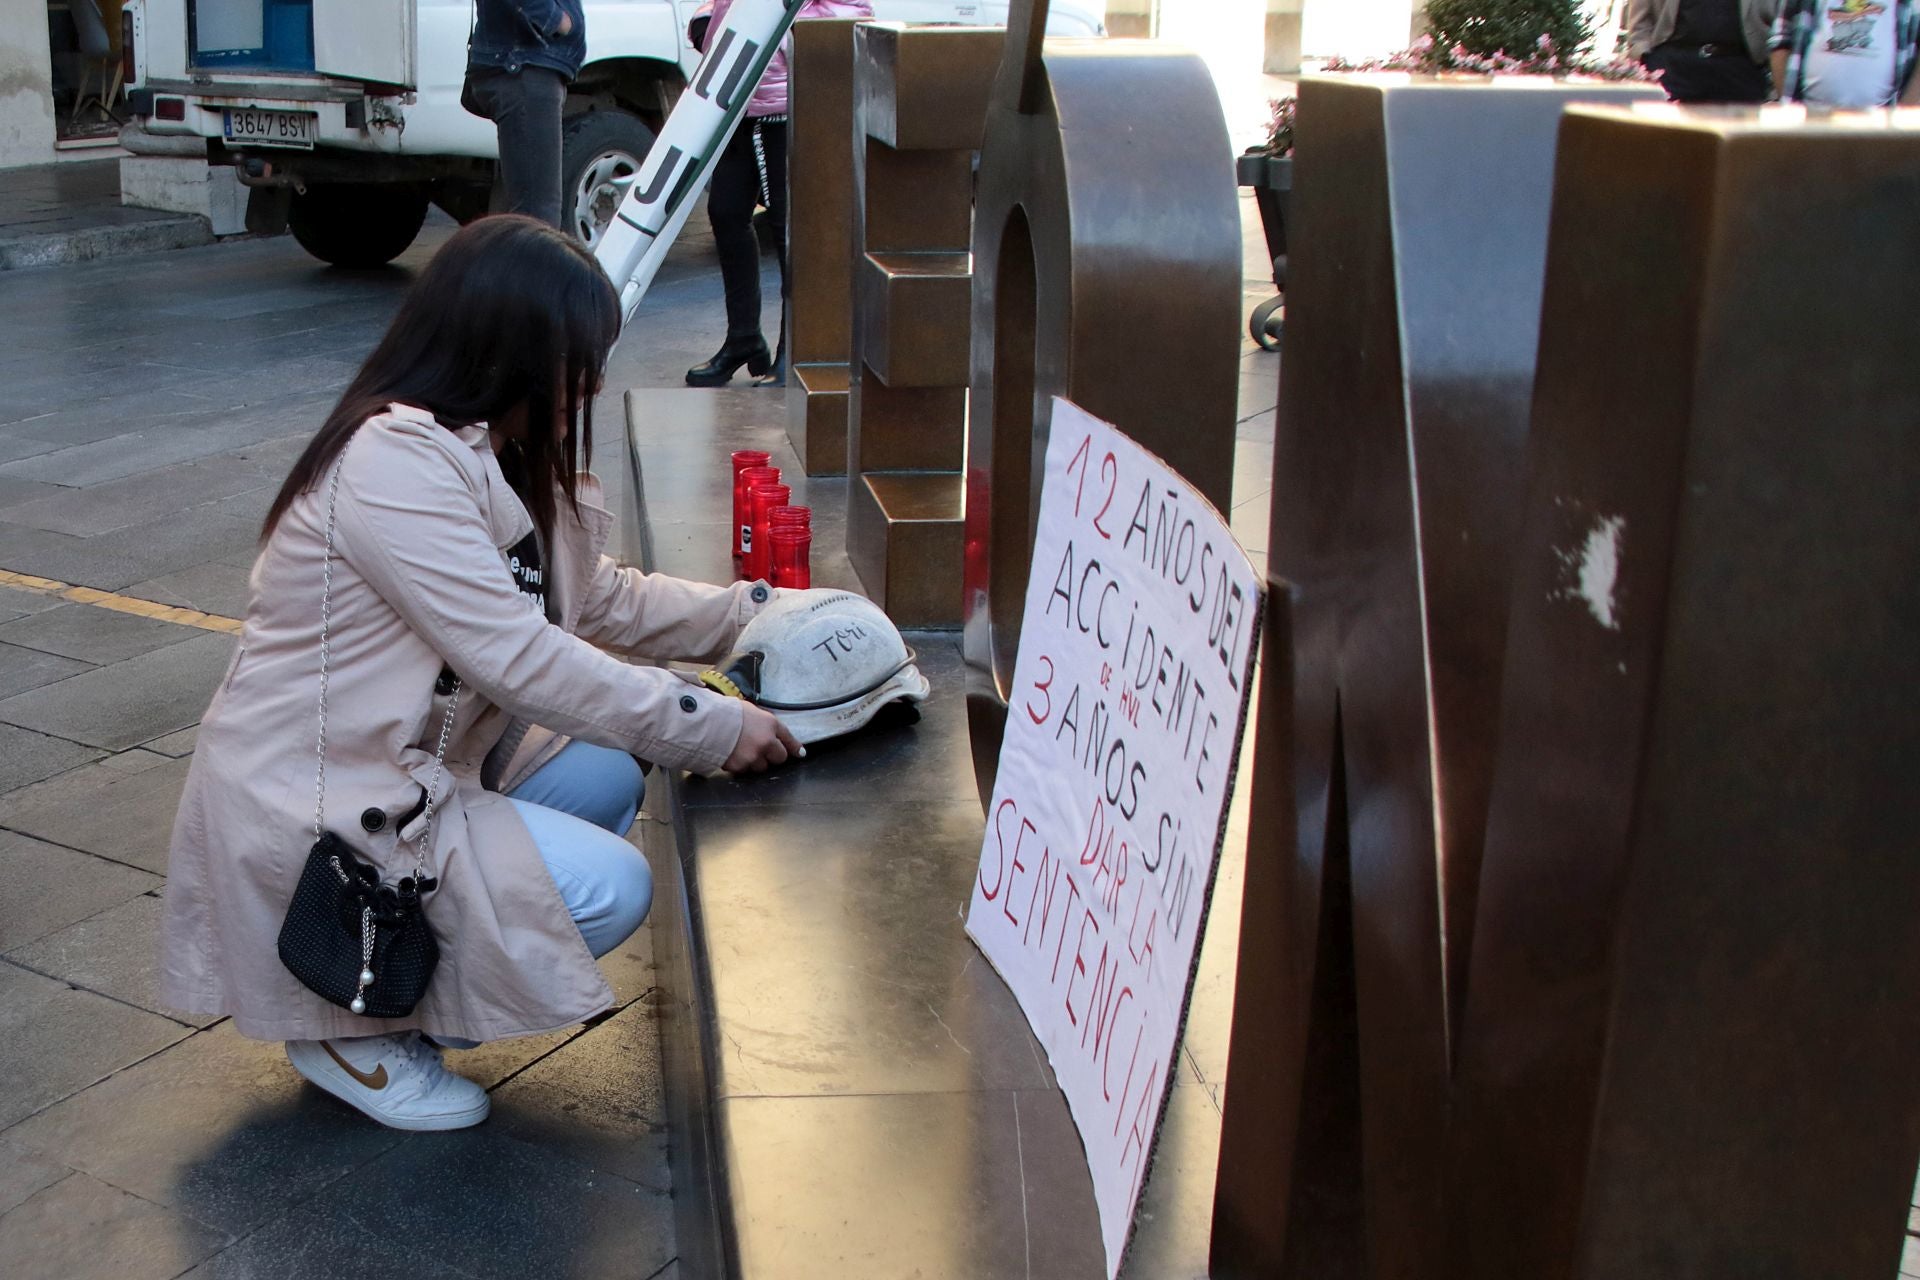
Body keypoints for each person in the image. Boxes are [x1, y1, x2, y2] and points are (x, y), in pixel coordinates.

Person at [159, 216, 800, 1132]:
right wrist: (712, 726)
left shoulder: (495, 451)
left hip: (414, 773)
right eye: (578, 360)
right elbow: (519, 657)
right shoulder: (392, 460)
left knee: (606, 771)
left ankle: (407, 974)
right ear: (506, 349)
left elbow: (602, 598)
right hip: (326, 802)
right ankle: (355, 1024)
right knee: (612, 888)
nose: (593, 382)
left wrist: (758, 612)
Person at [685, 0, 874, 388]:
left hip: (790, 104)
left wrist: (780, 39)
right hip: (738, 98)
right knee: (725, 213)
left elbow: (854, 11)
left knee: (788, 228)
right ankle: (743, 339)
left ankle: (797, 348)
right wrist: (706, 25)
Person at [465, 0, 586, 226]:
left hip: (524, 65)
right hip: (524, 67)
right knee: (538, 218)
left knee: (528, 215)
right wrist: (556, 20)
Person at [1770, 0, 1920, 106]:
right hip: (1809, 119)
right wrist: (1791, 106)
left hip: (1883, 124)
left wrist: (1901, 115)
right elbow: (1781, 41)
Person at [1628, 0, 1784, 101]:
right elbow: (1640, 23)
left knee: (1738, 141)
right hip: (1673, 66)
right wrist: (1644, 56)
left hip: (1740, 69)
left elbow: (1784, 19)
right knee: (1667, 139)